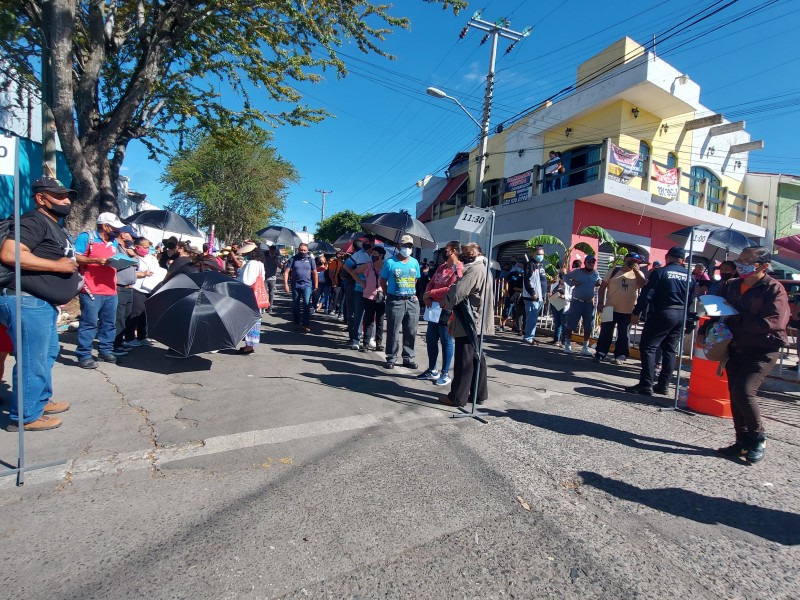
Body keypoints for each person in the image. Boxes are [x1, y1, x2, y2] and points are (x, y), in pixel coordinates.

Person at [0, 176, 80, 431]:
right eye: (59, 196)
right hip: (26, 301)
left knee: (46, 354)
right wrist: (57, 266)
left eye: (67, 195)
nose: (66, 200)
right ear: (41, 198)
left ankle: (39, 401)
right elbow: (10, 253)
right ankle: (26, 416)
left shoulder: (53, 224)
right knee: (32, 359)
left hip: (41, 303)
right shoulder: (33, 220)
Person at [702, 247, 789, 464]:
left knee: (744, 390)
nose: (741, 266)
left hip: (762, 349)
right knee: (734, 392)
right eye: (740, 261)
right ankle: (741, 440)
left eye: (747, 262)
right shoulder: (730, 285)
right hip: (736, 346)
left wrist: (736, 319)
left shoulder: (774, 289)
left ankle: (758, 437)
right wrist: (706, 329)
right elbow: (716, 311)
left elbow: (773, 322)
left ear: (764, 266)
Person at [626, 246, 694, 396]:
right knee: (670, 350)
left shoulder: (660, 272)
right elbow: (691, 298)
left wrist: (637, 312)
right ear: (682, 260)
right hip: (681, 314)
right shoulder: (690, 276)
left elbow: (647, 294)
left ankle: (646, 384)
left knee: (648, 347)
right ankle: (663, 385)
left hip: (663, 312)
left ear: (667, 257)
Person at [439, 242, 494, 407]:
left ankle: (457, 397)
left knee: (465, 360)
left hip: (469, 320)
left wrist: (445, 300)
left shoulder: (475, 269)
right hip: (477, 319)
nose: (464, 254)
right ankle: (479, 394)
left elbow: (458, 294)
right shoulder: (483, 268)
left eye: (467, 252)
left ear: (475, 253)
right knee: (477, 357)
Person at [74, 212, 125, 369]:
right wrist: (95, 260)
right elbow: (74, 257)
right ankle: (84, 354)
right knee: (89, 323)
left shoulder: (114, 243)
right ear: (105, 226)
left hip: (110, 289)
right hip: (91, 289)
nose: (118, 231)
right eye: (115, 228)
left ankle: (106, 350)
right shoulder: (86, 238)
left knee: (109, 324)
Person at [419, 241, 462, 386]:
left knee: (446, 341)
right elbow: (431, 282)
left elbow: (451, 288)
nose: (444, 251)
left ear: (455, 251)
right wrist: (427, 294)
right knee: (431, 339)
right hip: (433, 307)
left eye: (447, 249)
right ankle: (432, 370)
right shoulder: (442, 267)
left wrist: (430, 293)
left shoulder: (458, 268)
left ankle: (445, 373)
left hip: (446, 309)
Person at [593, 253, 648, 364]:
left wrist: (636, 271)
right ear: (625, 259)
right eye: (632, 260)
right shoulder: (613, 271)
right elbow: (602, 287)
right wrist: (599, 303)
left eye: (636, 261)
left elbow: (643, 285)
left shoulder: (639, 273)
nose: (634, 263)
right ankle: (600, 354)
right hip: (609, 308)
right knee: (605, 333)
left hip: (627, 310)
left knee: (623, 335)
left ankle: (621, 356)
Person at [380, 234, 420, 369]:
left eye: (409, 246)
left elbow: (416, 279)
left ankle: (408, 357)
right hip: (395, 301)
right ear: (398, 246)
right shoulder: (390, 262)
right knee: (393, 330)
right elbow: (382, 281)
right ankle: (391, 357)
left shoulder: (414, 262)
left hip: (411, 301)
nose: (407, 248)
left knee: (411, 330)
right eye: (404, 245)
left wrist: (411, 293)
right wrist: (388, 294)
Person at [124, 236, 165, 347]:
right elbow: (130, 272)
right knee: (135, 313)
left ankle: (143, 336)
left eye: (148, 247)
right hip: (137, 288)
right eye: (145, 247)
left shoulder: (151, 257)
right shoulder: (132, 257)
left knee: (145, 313)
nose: (147, 249)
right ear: (137, 247)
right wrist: (143, 273)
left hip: (150, 287)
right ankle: (129, 337)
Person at [562, 255, 601, 355]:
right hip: (577, 302)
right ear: (585, 262)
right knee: (571, 323)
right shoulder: (578, 272)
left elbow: (598, 281)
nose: (591, 263)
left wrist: (599, 282)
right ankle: (567, 345)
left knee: (588, 325)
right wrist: (571, 283)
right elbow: (565, 276)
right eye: (589, 262)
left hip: (588, 303)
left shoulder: (595, 273)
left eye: (593, 262)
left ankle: (585, 347)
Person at [343, 235, 375, 349]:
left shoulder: (378, 254)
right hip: (359, 289)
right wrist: (360, 281)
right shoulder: (358, 254)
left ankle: (370, 338)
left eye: (367, 242)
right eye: (363, 242)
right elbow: (346, 266)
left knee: (371, 316)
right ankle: (356, 339)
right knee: (358, 314)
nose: (364, 244)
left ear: (372, 242)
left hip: (373, 291)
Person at [111, 226, 139, 356]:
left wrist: (133, 255)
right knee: (119, 318)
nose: (133, 239)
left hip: (129, 287)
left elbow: (137, 264)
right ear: (123, 234)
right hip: (120, 286)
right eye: (131, 236)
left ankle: (121, 342)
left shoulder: (128, 249)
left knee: (126, 317)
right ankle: (115, 344)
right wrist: (130, 260)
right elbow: (114, 262)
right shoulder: (115, 246)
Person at [358, 246, 387, 352]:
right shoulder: (368, 265)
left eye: (375, 254)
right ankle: (365, 344)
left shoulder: (386, 266)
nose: (372, 255)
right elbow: (354, 272)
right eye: (372, 253)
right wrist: (361, 282)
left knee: (380, 321)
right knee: (368, 320)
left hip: (381, 296)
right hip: (368, 296)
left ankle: (379, 344)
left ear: (381, 256)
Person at [237, 243, 265, 354]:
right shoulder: (260, 264)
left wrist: (238, 276)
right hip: (257, 294)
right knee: (255, 319)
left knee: (248, 319)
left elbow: (246, 281)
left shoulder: (251, 263)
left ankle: (249, 345)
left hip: (249, 294)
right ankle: (251, 344)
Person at [284, 242, 318, 332]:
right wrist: (286, 284)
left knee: (306, 304)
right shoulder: (293, 259)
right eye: (301, 250)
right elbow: (286, 272)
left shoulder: (311, 260)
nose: (302, 251)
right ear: (298, 250)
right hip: (295, 285)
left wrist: (316, 286)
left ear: (307, 250)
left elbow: (315, 273)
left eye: (304, 250)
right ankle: (296, 323)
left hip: (307, 285)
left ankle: (306, 324)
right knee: (296, 305)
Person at [522, 245, 548, 345]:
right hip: (532, 297)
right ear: (533, 254)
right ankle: (528, 337)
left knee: (534, 318)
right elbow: (527, 280)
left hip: (540, 296)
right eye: (538, 254)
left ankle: (531, 336)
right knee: (531, 318)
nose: (540, 256)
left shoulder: (541, 265)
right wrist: (532, 293)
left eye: (541, 254)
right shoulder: (530, 265)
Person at [498, 259, 524, 333]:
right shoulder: (512, 274)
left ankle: (514, 326)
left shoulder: (524, 275)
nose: (520, 267)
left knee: (516, 312)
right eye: (519, 265)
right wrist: (506, 291)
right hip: (510, 294)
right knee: (507, 310)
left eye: (522, 266)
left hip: (519, 295)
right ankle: (502, 325)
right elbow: (507, 282)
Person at [548, 268, 571, 346]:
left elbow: (572, 296)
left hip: (564, 305)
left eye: (563, 273)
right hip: (555, 304)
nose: (561, 275)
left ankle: (564, 341)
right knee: (557, 322)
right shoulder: (555, 285)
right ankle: (556, 340)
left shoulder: (569, 285)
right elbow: (551, 292)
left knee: (564, 323)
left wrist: (564, 296)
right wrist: (550, 295)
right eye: (560, 273)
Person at [262, 245, 283, 313]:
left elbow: (280, 267)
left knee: (271, 293)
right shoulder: (265, 257)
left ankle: (270, 307)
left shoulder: (277, 258)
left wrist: (276, 262)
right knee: (264, 292)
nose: (273, 251)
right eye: (272, 250)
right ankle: (263, 307)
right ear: (269, 250)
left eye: (274, 250)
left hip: (272, 277)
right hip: (265, 277)